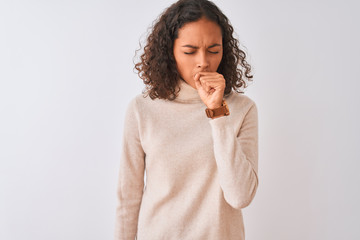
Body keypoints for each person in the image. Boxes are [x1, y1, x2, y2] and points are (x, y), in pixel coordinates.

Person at [114, 0, 258, 239]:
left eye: (214, 50)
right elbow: (128, 199)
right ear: (169, 51)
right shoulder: (142, 109)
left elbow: (240, 196)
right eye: (190, 51)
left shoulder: (242, 109)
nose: (203, 61)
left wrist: (218, 113)